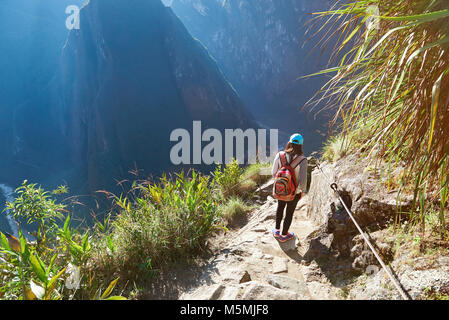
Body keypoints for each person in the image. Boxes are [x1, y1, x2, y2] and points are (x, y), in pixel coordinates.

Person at [271, 133, 308, 242]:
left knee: (280, 207)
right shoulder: (302, 160)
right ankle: (284, 235)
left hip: (281, 189)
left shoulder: (280, 155)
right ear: (301, 145)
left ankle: (276, 231)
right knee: (289, 212)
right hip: (294, 192)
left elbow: (273, 172)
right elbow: (303, 180)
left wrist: (280, 183)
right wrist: (302, 192)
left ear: (289, 142)